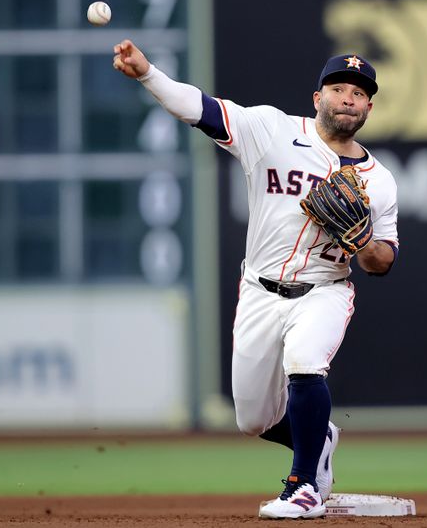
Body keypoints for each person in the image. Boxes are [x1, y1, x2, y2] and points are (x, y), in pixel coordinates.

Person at [113, 40, 399, 519]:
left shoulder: (380, 180)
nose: (347, 98)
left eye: (358, 92)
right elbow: (198, 108)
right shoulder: (271, 130)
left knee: (306, 362)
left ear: (369, 106)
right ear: (317, 98)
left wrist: (360, 239)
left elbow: (382, 262)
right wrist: (148, 74)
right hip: (259, 291)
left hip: (324, 290)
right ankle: (318, 437)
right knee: (252, 419)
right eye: (338, 89)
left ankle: (303, 485)